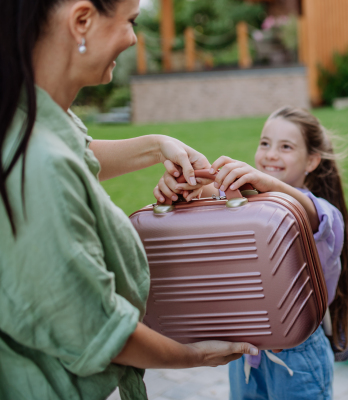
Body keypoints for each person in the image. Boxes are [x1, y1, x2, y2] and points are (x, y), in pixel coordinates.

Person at [0, 0, 259, 399]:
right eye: (131, 21)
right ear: (82, 20)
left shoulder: (23, 111)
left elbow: (77, 154)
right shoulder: (37, 167)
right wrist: (192, 356)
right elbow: (98, 331)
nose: (134, 38)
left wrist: (158, 146)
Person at [155, 107, 348, 399]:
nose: (271, 154)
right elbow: (209, 209)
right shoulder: (247, 209)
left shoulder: (320, 211)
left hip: (299, 354)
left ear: (312, 161)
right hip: (245, 352)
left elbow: (310, 214)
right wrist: (187, 191)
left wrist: (269, 185)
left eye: (286, 147)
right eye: (265, 143)